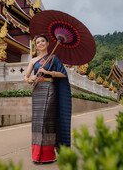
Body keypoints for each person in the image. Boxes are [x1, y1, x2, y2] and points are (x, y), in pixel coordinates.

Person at [24, 34, 72, 164]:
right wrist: (30, 79)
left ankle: (48, 155)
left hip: (49, 89)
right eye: (38, 42)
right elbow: (26, 77)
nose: (40, 44)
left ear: (47, 43)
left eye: (42, 41)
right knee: (38, 121)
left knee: (47, 120)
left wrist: (48, 72)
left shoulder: (54, 58)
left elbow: (63, 74)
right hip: (37, 91)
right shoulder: (33, 61)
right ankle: (36, 155)